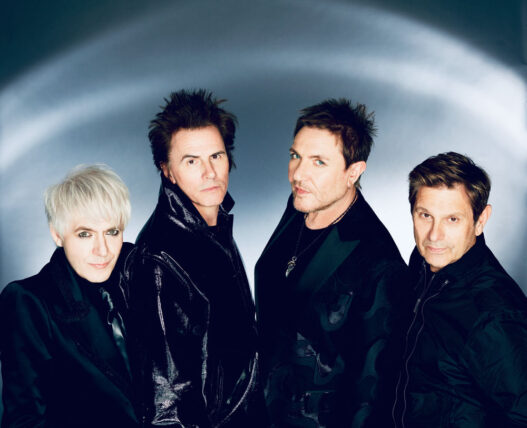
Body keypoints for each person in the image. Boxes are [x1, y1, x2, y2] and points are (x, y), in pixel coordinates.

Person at [255, 98, 409, 427]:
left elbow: (374, 394)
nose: (298, 174)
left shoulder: (379, 262)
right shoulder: (300, 206)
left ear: (353, 171)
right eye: (295, 156)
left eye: (319, 162)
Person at [125, 89, 265, 427]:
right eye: (191, 161)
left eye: (216, 156)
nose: (209, 172)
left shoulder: (215, 228)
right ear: (168, 171)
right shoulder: (159, 259)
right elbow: (165, 404)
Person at [392, 152, 527, 427]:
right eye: (425, 215)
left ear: (480, 220)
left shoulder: (494, 314)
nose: (434, 235)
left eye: (452, 219)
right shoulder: (424, 265)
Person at [0, 164, 137, 427]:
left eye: (112, 232)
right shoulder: (27, 301)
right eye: (85, 234)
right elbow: (24, 420)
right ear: (57, 234)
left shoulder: (138, 283)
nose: (102, 250)